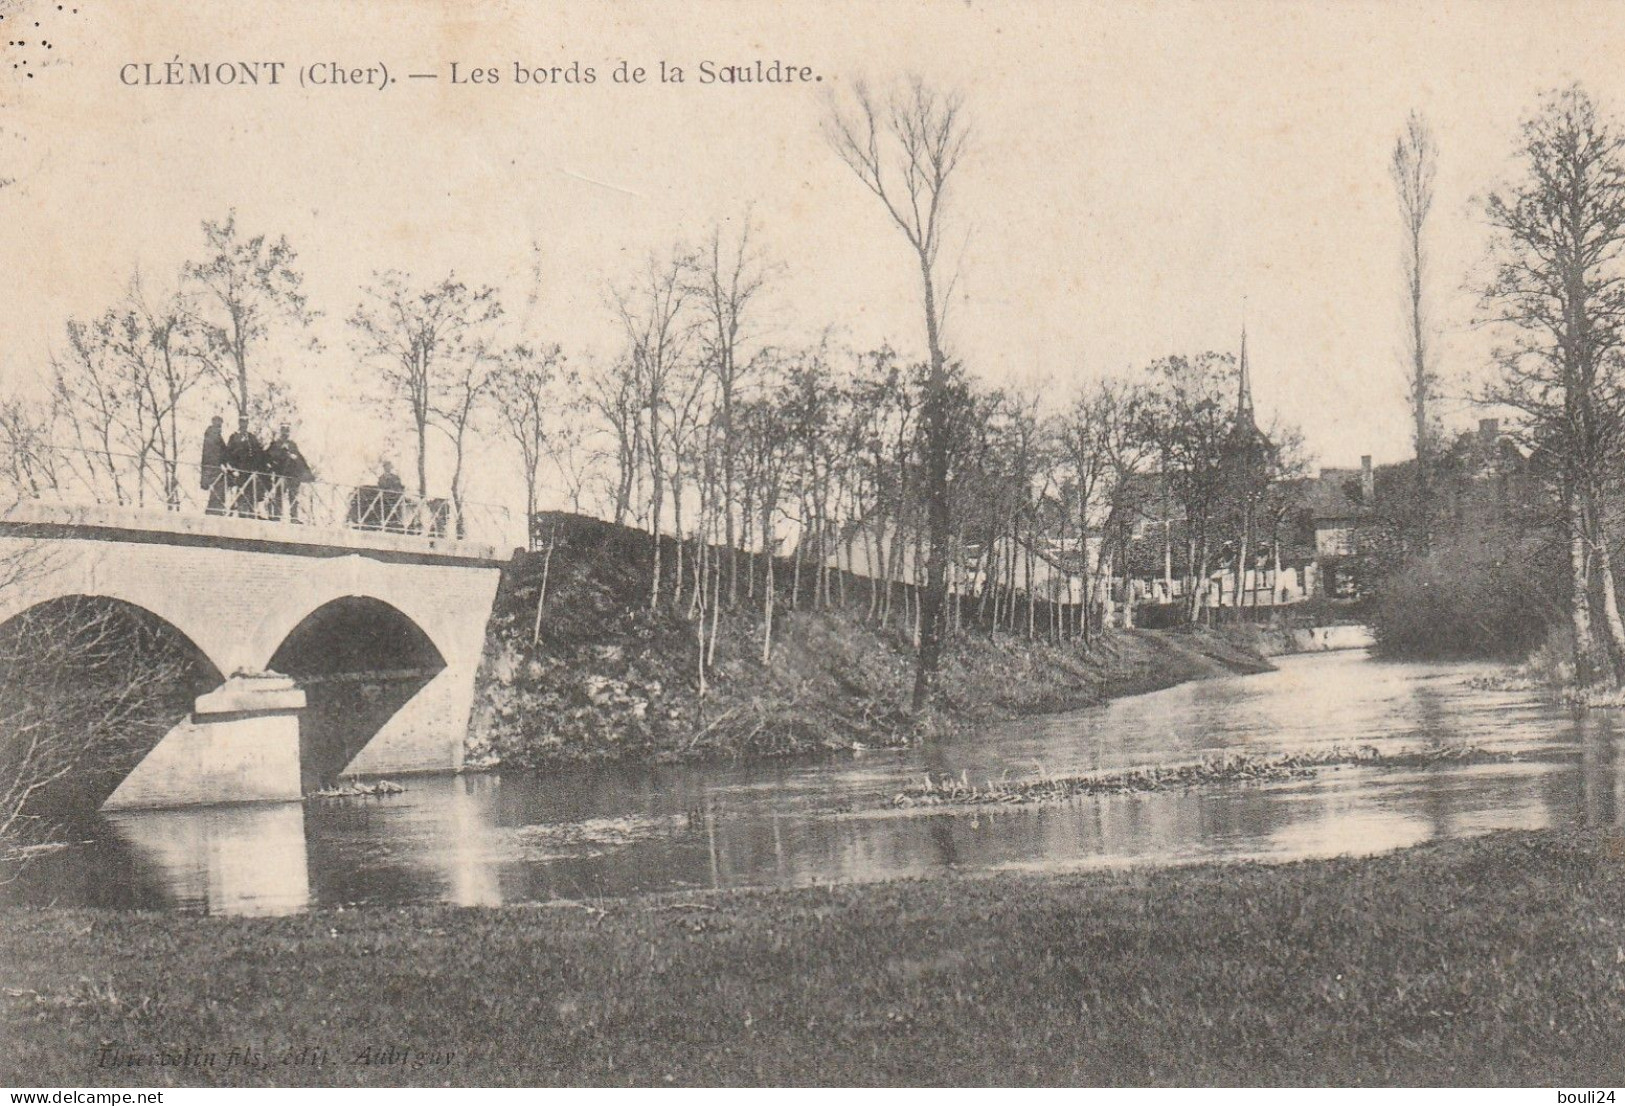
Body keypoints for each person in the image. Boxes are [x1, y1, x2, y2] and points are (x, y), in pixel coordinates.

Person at [265, 424, 314, 522]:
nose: (285, 433)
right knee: (279, 494)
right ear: (281, 431)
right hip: (281, 474)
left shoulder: (293, 445)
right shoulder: (275, 444)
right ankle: (277, 515)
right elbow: (268, 456)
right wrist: (280, 455)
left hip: (292, 475)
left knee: (293, 495)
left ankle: (294, 517)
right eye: (283, 430)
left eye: (287, 430)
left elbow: (300, 459)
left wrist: (295, 458)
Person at [224, 421, 266, 517]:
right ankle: (241, 514)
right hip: (240, 471)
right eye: (242, 422)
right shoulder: (234, 437)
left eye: (246, 423)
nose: (244, 425)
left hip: (250, 471)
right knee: (241, 494)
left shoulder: (251, 437)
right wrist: (233, 469)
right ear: (239, 424)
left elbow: (258, 453)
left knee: (252, 494)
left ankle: (252, 514)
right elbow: (228, 454)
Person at [200, 415, 227, 515]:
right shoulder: (213, 434)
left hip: (212, 466)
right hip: (212, 467)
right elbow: (218, 451)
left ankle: (215, 509)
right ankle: (214, 510)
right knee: (218, 486)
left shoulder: (214, 434)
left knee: (217, 487)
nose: (219, 426)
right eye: (218, 423)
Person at [376, 460, 405, 531]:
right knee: (386, 513)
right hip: (385, 499)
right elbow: (381, 487)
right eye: (386, 466)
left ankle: (396, 525)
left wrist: (398, 493)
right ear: (384, 467)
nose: (388, 467)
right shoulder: (381, 478)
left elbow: (399, 487)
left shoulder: (395, 477)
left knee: (396, 513)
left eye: (389, 466)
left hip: (395, 498)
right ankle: (386, 525)